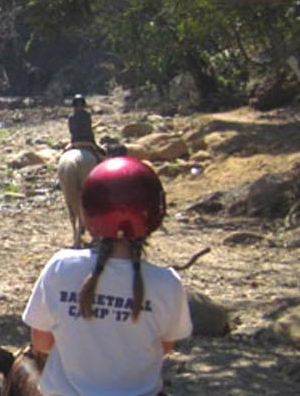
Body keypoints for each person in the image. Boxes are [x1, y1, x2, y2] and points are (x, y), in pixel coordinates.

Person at [22, 156, 192, 396]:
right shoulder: (167, 283)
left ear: (89, 211)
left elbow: (41, 343)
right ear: (155, 214)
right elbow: (164, 347)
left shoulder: (60, 266)